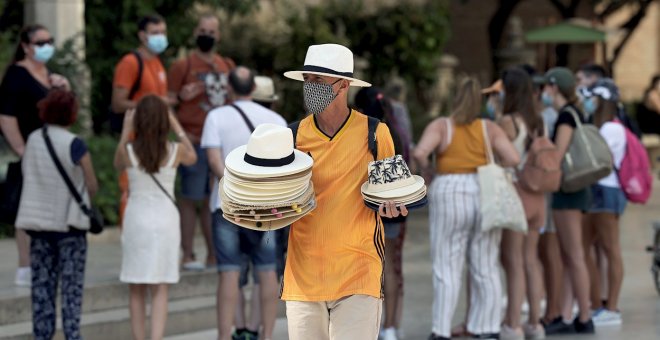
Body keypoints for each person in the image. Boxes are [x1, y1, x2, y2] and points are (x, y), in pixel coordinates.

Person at [281, 43, 404, 340]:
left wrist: (395, 206)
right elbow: (281, 199)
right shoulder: (293, 135)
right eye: (307, 80)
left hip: (358, 271)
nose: (310, 87)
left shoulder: (375, 132)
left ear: (343, 85)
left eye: (318, 81)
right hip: (303, 277)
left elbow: (394, 193)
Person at [414, 76, 519, 340]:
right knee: (485, 264)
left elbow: (420, 152)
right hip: (484, 188)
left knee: (447, 265)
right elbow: (513, 158)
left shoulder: (442, 125)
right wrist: (493, 168)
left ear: (455, 97)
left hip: (449, 189)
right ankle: (486, 328)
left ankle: (441, 330)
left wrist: (428, 170)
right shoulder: (489, 128)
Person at [201, 67, 285, 340]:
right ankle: (267, 334)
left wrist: (237, 188)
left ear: (229, 87)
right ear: (252, 88)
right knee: (267, 270)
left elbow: (214, 162)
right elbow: (283, 167)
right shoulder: (277, 120)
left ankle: (226, 336)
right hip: (267, 208)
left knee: (228, 272)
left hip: (227, 205)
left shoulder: (216, 117)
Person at [15, 89, 97, 340]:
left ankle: (42, 336)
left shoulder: (33, 140)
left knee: (42, 292)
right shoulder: (75, 144)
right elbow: (91, 185)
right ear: (71, 114)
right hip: (69, 227)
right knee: (71, 293)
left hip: (39, 228)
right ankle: (72, 336)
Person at [114, 96, 197, 340]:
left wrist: (125, 132)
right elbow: (193, 156)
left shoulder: (128, 151)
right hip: (166, 221)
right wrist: (176, 125)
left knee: (136, 286)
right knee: (160, 287)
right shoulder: (176, 150)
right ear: (164, 121)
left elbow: (117, 162)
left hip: (136, 219)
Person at [0, 24, 70, 287]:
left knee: (53, 207)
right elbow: (6, 116)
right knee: (28, 208)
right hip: (31, 149)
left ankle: (49, 261)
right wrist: (22, 149)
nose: (46, 46)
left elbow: (65, 114)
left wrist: (64, 87)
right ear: (26, 46)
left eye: (49, 41)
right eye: (40, 42)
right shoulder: (17, 75)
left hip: (55, 150)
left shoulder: (49, 75)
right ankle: (25, 265)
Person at [167, 13, 236, 271]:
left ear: (218, 35)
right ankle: (187, 255)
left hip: (219, 143)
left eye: (212, 31)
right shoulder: (183, 66)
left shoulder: (225, 65)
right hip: (193, 141)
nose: (207, 35)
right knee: (190, 197)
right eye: (203, 30)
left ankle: (213, 254)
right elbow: (168, 103)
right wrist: (180, 131)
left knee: (214, 198)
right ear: (196, 33)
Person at [354, 86, 413, 340]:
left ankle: (371, 326)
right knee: (391, 266)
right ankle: (391, 326)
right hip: (395, 208)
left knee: (367, 268)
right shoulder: (395, 133)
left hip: (363, 211)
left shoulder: (361, 133)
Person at [541, 67, 595, 335]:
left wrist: (539, 150)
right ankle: (567, 312)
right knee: (569, 254)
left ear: (554, 87)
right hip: (575, 190)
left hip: (568, 190)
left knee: (574, 255)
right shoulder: (576, 112)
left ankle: (583, 316)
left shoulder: (565, 116)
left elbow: (558, 154)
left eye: (546, 87)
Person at [497, 68, 546, 340]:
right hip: (538, 196)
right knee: (531, 260)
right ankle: (535, 325)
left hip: (516, 193)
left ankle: (513, 324)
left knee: (512, 261)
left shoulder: (508, 121)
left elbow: (499, 158)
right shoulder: (538, 120)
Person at [111, 14, 170, 228]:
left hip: (157, 139)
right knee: (131, 191)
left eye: (163, 32)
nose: (160, 37)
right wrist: (150, 104)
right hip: (135, 140)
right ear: (142, 36)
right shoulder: (130, 62)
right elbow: (118, 103)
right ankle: (129, 234)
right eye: (155, 33)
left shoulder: (157, 62)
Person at [580, 79, 627, 326]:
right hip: (596, 190)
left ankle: (611, 307)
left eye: (592, 98)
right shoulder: (601, 126)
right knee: (584, 248)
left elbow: (598, 159)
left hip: (605, 190)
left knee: (611, 248)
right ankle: (597, 302)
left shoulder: (611, 128)